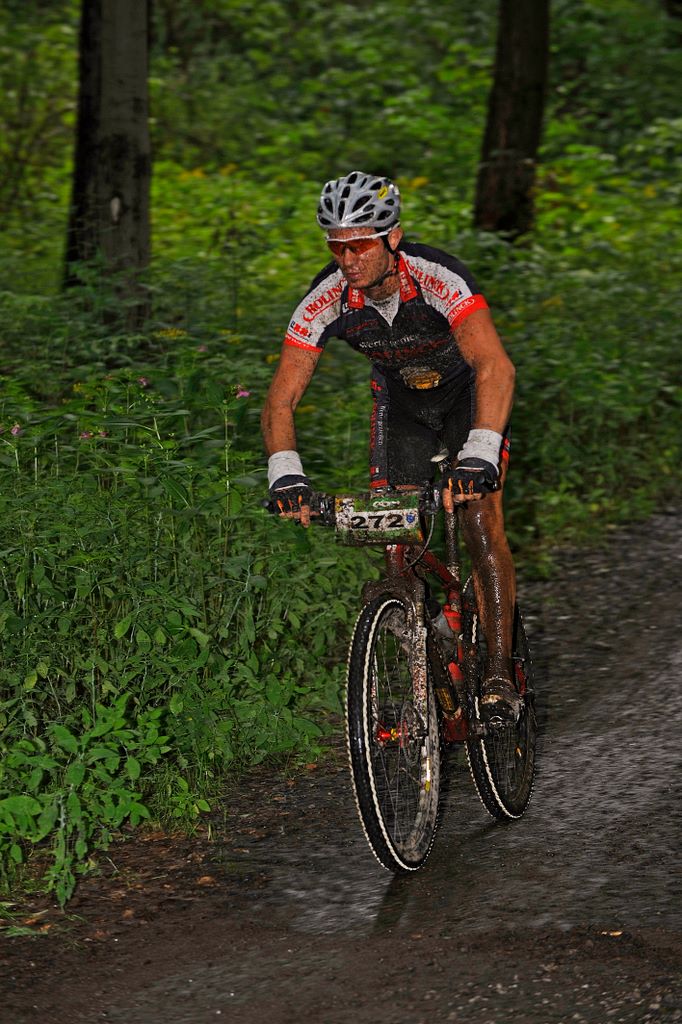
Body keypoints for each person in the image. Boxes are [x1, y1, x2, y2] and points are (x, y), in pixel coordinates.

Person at [261, 170, 520, 721]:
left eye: (359, 245)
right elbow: (281, 399)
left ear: (392, 238)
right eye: (336, 246)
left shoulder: (437, 276)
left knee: (478, 520)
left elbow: (495, 366)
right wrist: (286, 475)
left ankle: (500, 673)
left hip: (467, 398)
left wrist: (479, 452)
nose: (347, 259)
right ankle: (425, 660)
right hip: (402, 406)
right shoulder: (326, 297)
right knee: (394, 534)